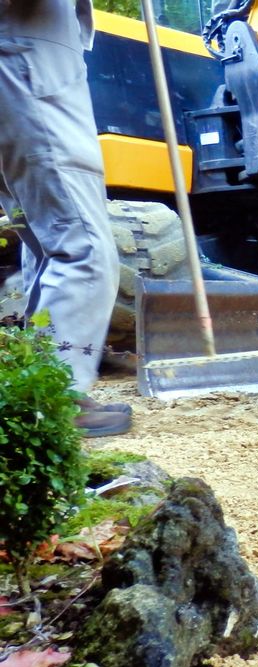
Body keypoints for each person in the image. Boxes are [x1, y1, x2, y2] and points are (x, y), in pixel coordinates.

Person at [0, 0, 132, 437]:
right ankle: (57, 396)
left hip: (27, 67)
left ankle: (37, 391)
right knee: (83, 247)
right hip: (29, 69)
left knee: (47, 245)